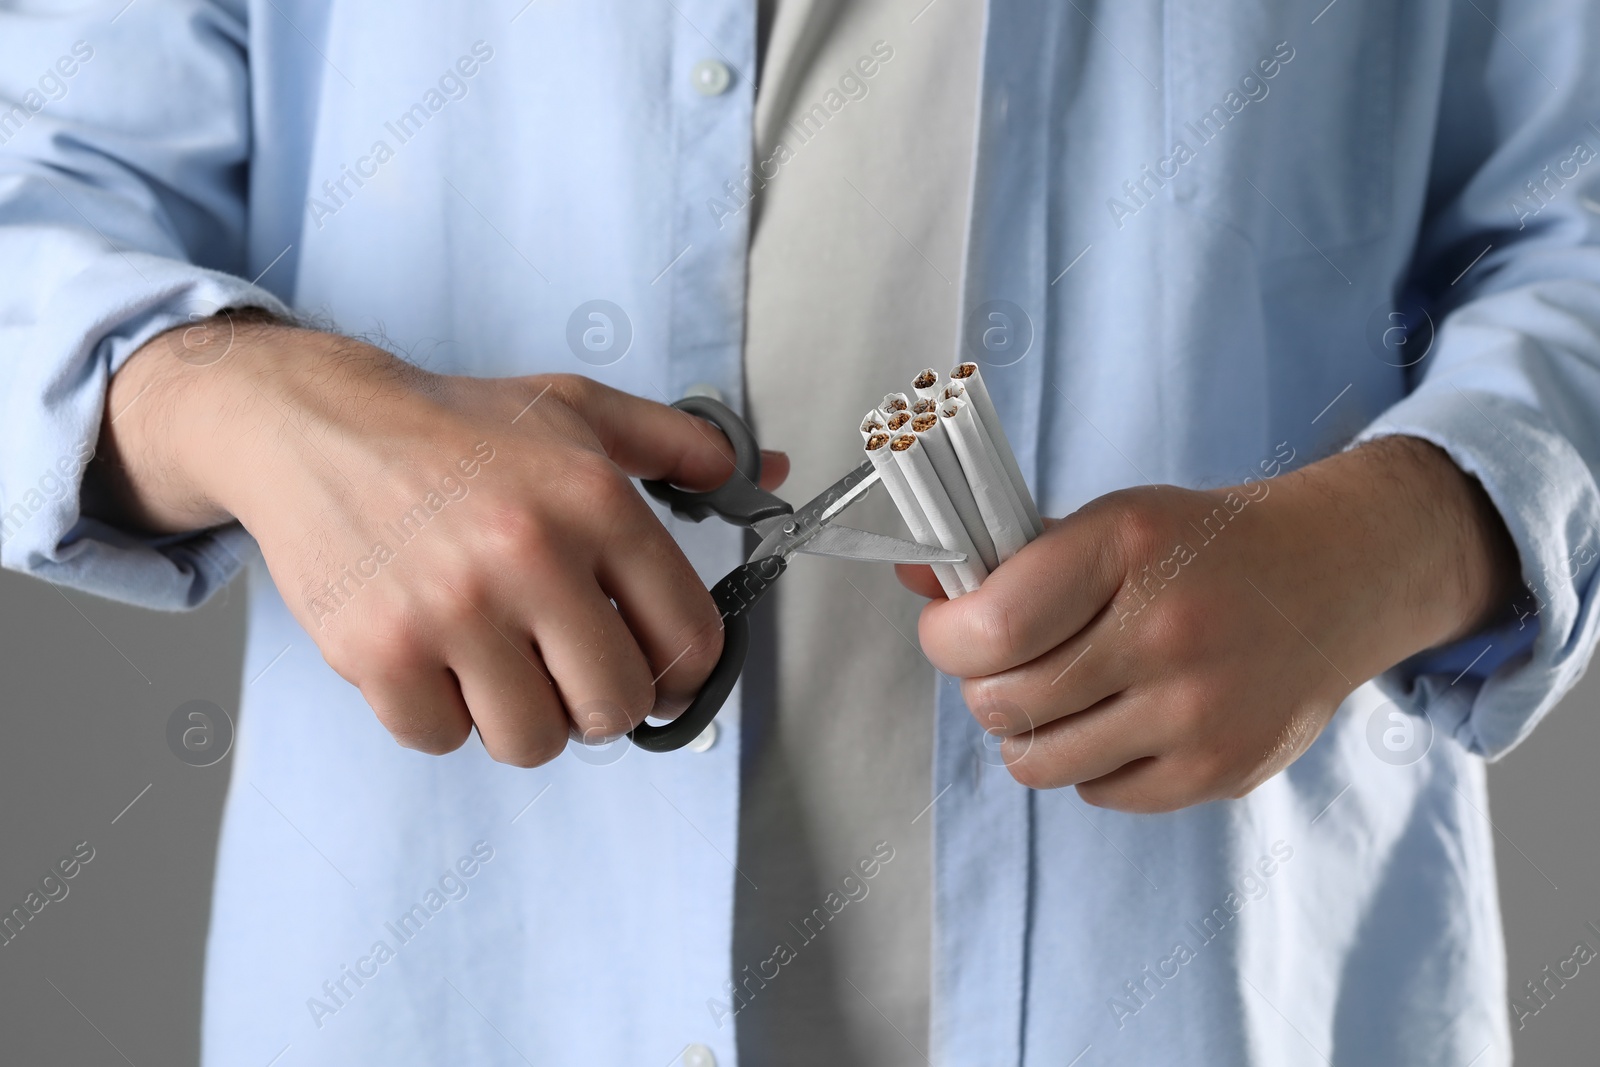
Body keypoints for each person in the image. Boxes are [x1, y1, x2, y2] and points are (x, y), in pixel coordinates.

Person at [2, 0, 1596, 1064]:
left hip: (1215, 993)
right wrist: (257, 407)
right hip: (449, 992)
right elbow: (36, 182)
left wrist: (1402, 537)